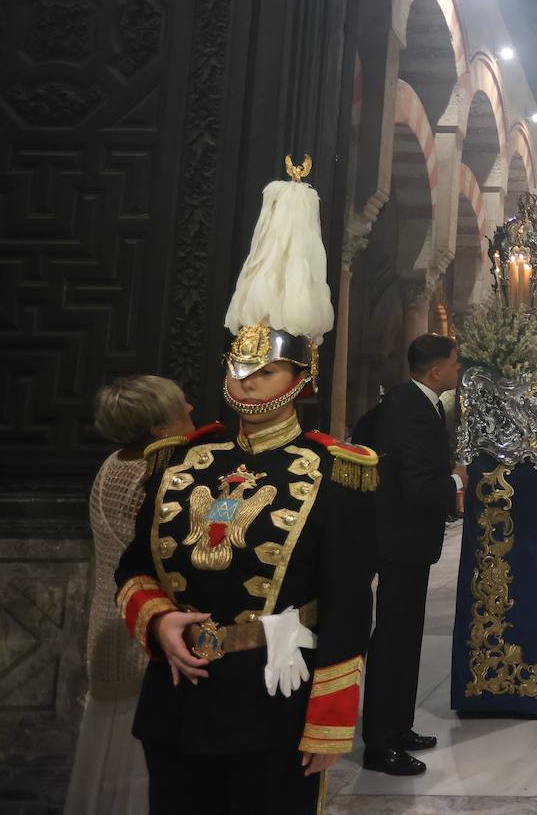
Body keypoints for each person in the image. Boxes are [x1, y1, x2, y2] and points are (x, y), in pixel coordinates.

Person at [114, 159, 378, 813]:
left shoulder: (335, 469)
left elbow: (348, 605)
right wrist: (160, 622)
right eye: (239, 365)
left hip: (274, 697)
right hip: (179, 693)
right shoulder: (180, 458)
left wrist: (333, 718)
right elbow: (134, 567)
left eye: (265, 369)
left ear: (301, 378)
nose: (246, 379)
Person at [67, 376, 195, 814]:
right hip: (146, 629)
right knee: (146, 771)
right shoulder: (157, 473)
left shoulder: (113, 462)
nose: (192, 410)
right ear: (160, 430)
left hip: (112, 623)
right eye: (182, 407)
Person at [361, 334, 467, 776]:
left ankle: (398, 728)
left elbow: (366, 439)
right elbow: (421, 484)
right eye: (455, 364)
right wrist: (458, 483)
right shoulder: (418, 413)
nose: (458, 371)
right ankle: (380, 743)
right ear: (436, 370)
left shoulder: (399, 402)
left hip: (397, 538)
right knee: (393, 640)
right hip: (401, 541)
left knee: (404, 637)